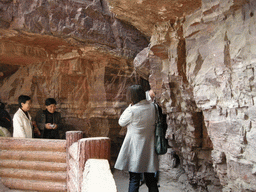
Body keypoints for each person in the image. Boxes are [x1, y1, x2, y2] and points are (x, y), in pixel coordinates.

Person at [114, 85, 159, 192]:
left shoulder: (132, 110)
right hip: (149, 148)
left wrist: (130, 106)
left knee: (134, 179)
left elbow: (121, 122)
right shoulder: (153, 107)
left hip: (135, 149)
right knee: (151, 180)